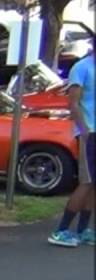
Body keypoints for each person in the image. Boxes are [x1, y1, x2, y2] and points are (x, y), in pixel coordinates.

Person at [48, 52, 94, 247]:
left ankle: (84, 230)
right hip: (90, 133)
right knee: (86, 181)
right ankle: (61, 230)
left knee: (94, 184)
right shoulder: (82, 67)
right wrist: (84, 130)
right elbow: (73, 103)